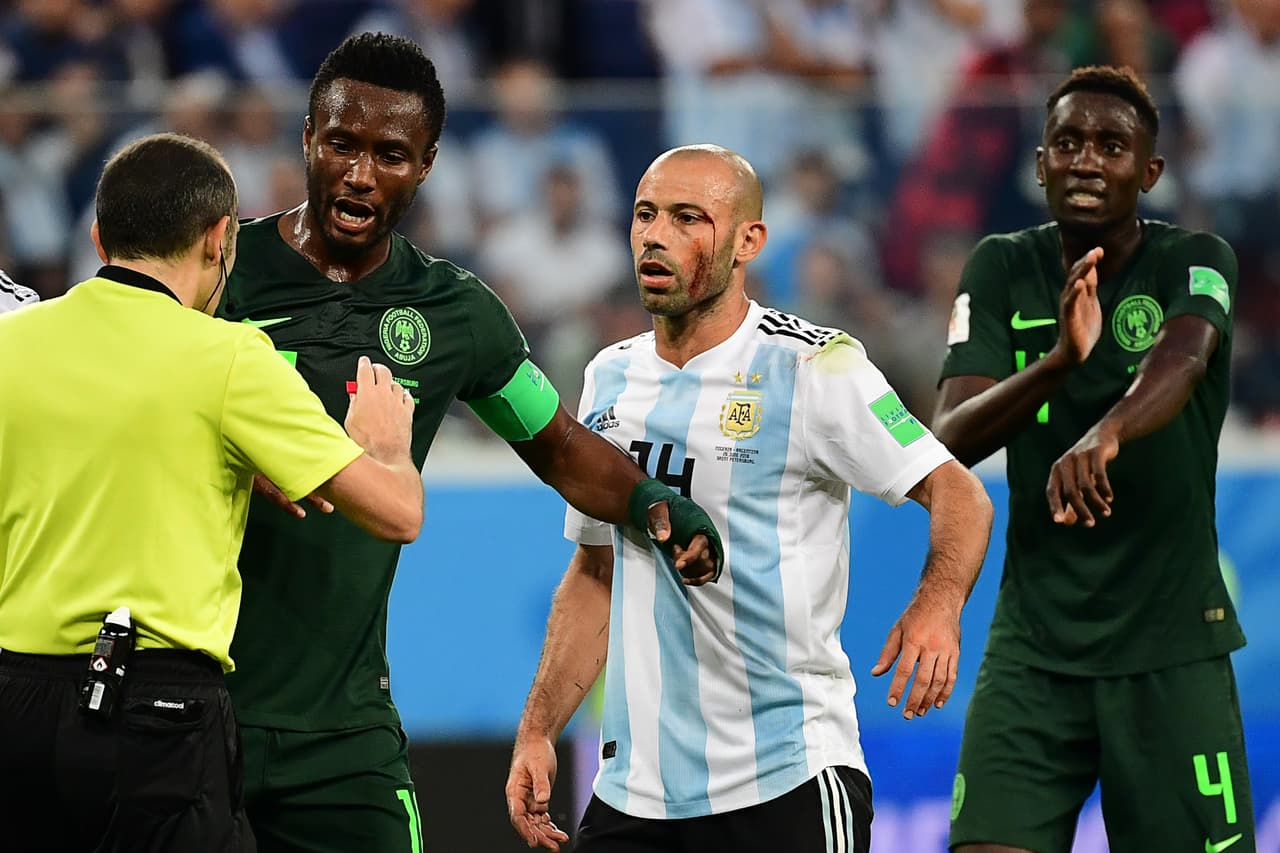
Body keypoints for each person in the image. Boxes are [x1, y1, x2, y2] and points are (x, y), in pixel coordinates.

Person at [214, 32, 723, 853]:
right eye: (341, 143)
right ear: (307, 138)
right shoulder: (218, 276)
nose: (359, 172)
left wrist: (648, 499)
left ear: (426, 165)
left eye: (389, 153)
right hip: (196, 710)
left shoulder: (455, 313)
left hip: (344, 736)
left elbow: (556, 443)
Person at [505, 144, 995, 853]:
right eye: (645, 215)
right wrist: (538, 729)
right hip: (635, 795)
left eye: (687, 218)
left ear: (748, 242)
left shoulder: (813, 366)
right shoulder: (609, 378)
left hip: (787, 781)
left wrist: (938, 603)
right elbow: (594, 572)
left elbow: (959, 489)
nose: (656, 236)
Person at [0, 132, 426, 852]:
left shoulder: (15, 342)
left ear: (99, 236)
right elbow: (395, 512)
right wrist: (387, 448)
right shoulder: (228, 357)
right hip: (155, 709)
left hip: (17, 705)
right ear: (218, 236)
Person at [933, 65, 1255, 853]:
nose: (1086, 159)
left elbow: (1179, 359)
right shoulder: (1002, 266)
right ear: (1040, 162)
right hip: (1035, 645)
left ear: (1149, 173)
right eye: (1068, 142)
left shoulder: (1195, 257)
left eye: (1112, 146)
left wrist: (1105, 431)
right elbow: (947, 437)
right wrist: (1053, 364)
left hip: (1170, 646)